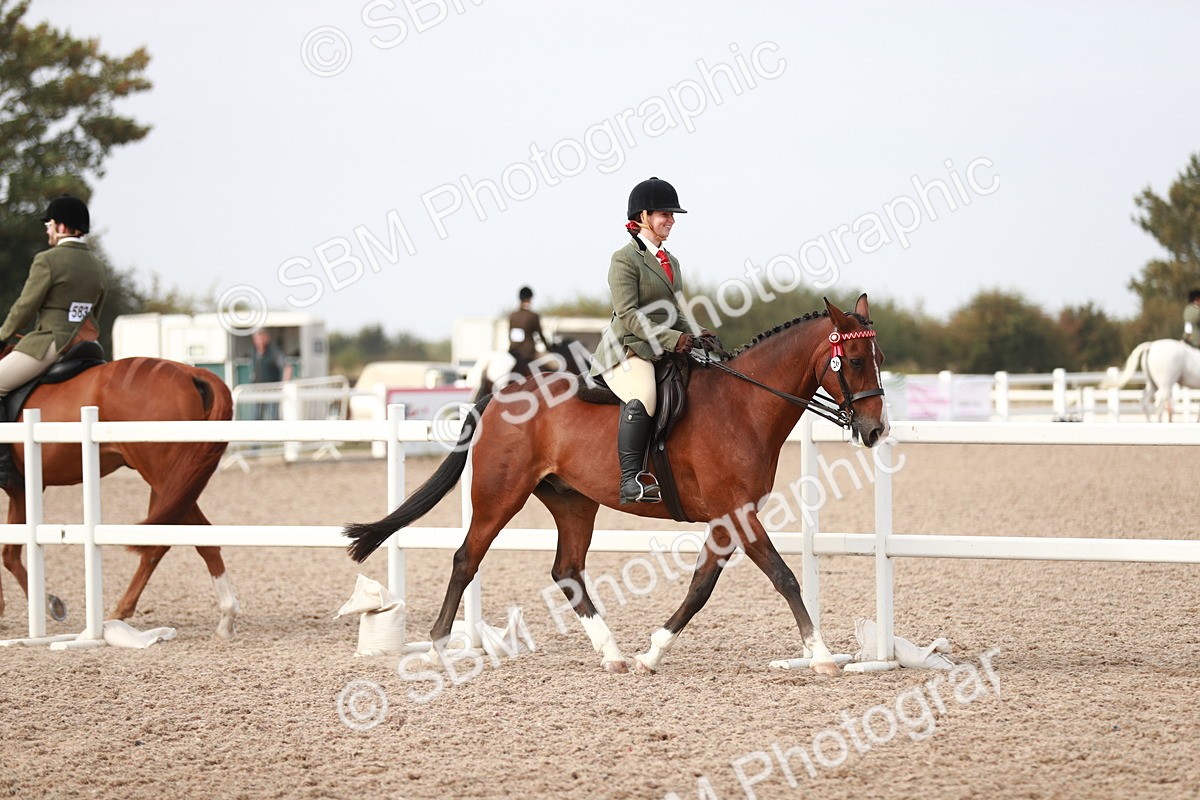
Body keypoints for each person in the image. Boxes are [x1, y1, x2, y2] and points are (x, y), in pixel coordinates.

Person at [587, 177, 716, 505]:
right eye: (664, 214)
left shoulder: (670, 261)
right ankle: (630, 480)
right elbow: (628, 314)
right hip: (628, 348)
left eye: (673, 215)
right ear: (643, 217)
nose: (671, 220)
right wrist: (676, 339)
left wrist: (697, 335)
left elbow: (675, 310)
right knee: (644, 395)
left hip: (664, 345)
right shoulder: (624, 259)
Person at [0, 194, 107, 488]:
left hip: (52, 343)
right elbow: (96, 309)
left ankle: (4, 464)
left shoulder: (47, 260)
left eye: (49, 224)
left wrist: (3, 334)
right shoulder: (96, 264)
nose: (47, 230)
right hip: (87, 344)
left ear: (61, 226)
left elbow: (25, 306)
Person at [250, 329, 291, 420]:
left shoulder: (274, 352)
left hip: (272, 390)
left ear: (267, 338)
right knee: (256, 417)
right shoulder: (254, 352)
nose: (259, 340)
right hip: (257, 390)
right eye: (257, 338)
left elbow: (287, 367)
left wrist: (284, 385)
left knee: (274, 417)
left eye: (261, 337)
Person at [507, 286, 545, 378]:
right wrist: (550, 348)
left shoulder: (513, 315)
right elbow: (540, 334)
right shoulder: (533, 316)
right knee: (554, 365)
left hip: (513, 351)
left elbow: (510, 335)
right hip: (528, 353)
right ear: (530, 298)